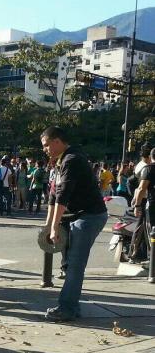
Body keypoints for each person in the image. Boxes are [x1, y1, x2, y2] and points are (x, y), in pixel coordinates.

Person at [41, 127, 107, 322]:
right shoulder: (60, 161)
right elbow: (53, 196)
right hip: (77, 216)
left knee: (75, 264)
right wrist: (48, 226)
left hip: (89, 216)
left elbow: (63, 196)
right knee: (70, 264)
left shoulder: (72, 160)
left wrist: (54, 227)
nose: (44, 149)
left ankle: (67, 308)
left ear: (57, 141)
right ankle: (72, 306)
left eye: (46, 145)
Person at [133, 147, 155, 284]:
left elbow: (142, 188)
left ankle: (153, 268)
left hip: (153, 205)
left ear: (151, 157)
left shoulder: (149, 169)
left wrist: (137, 205)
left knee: (151, 233)